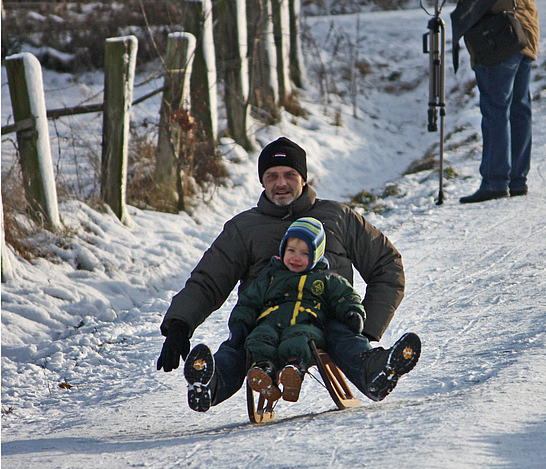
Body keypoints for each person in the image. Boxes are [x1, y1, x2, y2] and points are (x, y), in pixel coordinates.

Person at [156, 136, 418, 410]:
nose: (281, 183)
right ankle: (209, 384)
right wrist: (180, 325)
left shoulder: (337, 217)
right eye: (272, 176)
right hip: (266, 319)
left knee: (345, 338)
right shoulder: (244, 228)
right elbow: (208, 280)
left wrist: (367, 327)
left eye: (290, 174)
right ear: (262, 181)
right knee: (237, 345)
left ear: (303, 178)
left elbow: (387, 265)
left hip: (324, 319)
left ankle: (375, 371)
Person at [219, 216, 419, 405]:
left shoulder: (324, 279)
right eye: (291, 251)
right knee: (258, 338)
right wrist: (239, 323)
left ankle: (372, 371)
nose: (296, 257)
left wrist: (352, 312)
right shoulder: (270, 276)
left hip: (307, 325)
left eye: (305, 253)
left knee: (302, 338)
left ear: (316, 256)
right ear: (282, 250)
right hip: (269, 323)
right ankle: (256, 373)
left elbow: (346, 295)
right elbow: (249, 301)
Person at [429, 0, 539, 204]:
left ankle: (495, 181)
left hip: (497, 35)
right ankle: (516, 179)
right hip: (525, 31)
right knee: (519, 107)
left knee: (495, 108)